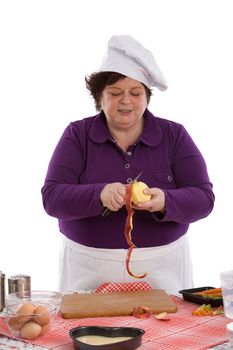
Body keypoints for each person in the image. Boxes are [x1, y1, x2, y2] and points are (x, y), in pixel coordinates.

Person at [41, 35, 215, 295]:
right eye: (115, 93)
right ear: (99, 97)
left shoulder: (174, 135)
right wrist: (98, 194)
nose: (126, 101)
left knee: (165, 332)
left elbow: (204, 198)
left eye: (136, 93)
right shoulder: (77, 135)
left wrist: (165, 201)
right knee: (84, 334)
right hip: (87, 266)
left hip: (163, 266)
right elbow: (52, 198)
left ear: (147, 98)